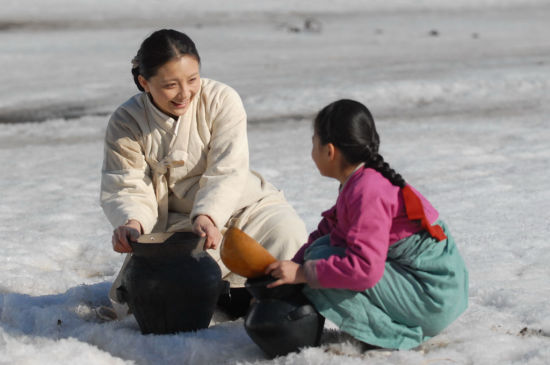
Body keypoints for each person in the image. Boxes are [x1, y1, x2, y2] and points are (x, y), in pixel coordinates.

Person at [100, 29, 307, 319]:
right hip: (178, 225)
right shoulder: (127, 121)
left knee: (289, 236)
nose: (185, 93)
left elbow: (227, 168)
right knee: (167, 287)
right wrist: (132, 222)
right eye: (171, 85)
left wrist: (208, 214)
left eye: (193, 79)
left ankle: (271, 306)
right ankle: (229, 301)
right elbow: (126, 183)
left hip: (245, 206)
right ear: (144, 82)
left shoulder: (222, 100)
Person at [265, 99, 468, 350]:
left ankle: (395, 335)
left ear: (329, 150)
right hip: (434, 292)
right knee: (320, 251)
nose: (312, 150)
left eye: (313, 142)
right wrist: (291, 268)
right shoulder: (360, 181)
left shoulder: (367, 191)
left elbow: (365, 270)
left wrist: (303, 273)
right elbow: (328, 231)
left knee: (318, 264)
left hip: (432, 298)